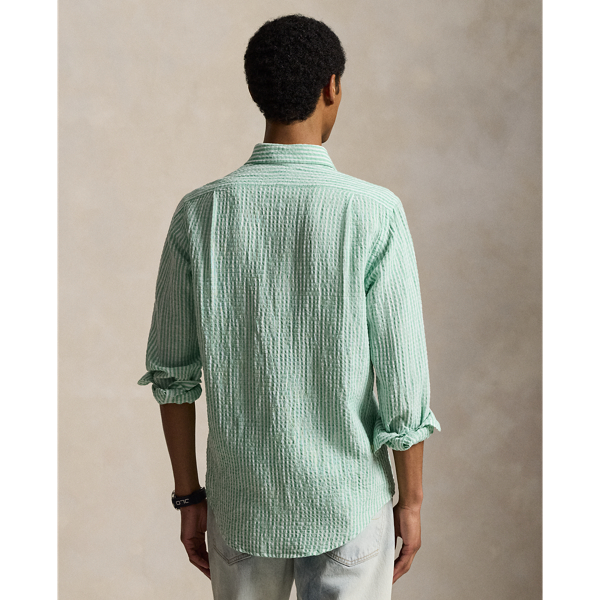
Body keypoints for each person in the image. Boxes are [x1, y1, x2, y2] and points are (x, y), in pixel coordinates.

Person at [137, 13, 440, 600]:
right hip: (351, 502)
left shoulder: (200, 213)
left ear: (257, 90)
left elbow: (173, 377)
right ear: (332, 86)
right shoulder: (374, 213)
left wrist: (189, 497)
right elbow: (404, 385)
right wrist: (412, 502)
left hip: (242, 507)